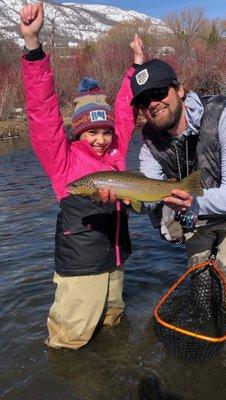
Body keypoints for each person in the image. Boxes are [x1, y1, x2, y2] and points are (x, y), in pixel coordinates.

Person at [19, 1, 144, 349]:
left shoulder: (116, 153)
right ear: (77, 133)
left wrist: (135, 67)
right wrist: (33, 47)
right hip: (81, 269)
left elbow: (123, 110)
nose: (102, 140)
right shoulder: (62, 160)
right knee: (69, 344)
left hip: (116, 262)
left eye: (106, 132)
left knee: (113, 332)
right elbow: (42, 113)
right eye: (92, 133)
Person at [129, 56, 226, 315]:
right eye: (143, 100)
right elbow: (150, 194)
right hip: (196, 212)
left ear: (180, 90)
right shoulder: (149, 141)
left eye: (159, 93)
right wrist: (128, 200)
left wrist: (191, 201)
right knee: (201, 287)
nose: (152, 104)